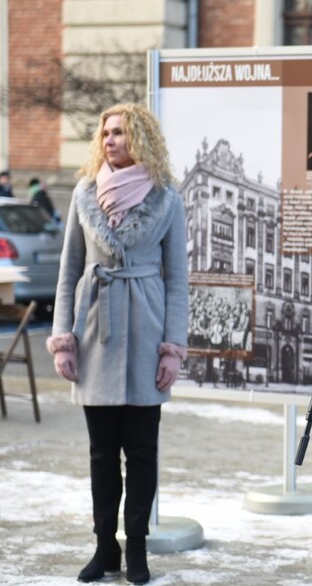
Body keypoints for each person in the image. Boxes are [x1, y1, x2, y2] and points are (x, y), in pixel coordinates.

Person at [46, 103, 189, 584]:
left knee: (142, 452)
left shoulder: (167, 198)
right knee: (101, 453)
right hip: (94, 332)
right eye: (106, 133)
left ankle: (138, 548)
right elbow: (68, 271)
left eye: (121, 133)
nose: (110, 140)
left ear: (141, 139)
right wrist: (64, 339)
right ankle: (104, 546)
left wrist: (173, 347)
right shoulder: (84, 193)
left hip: (147, 333)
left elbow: (178, 281)